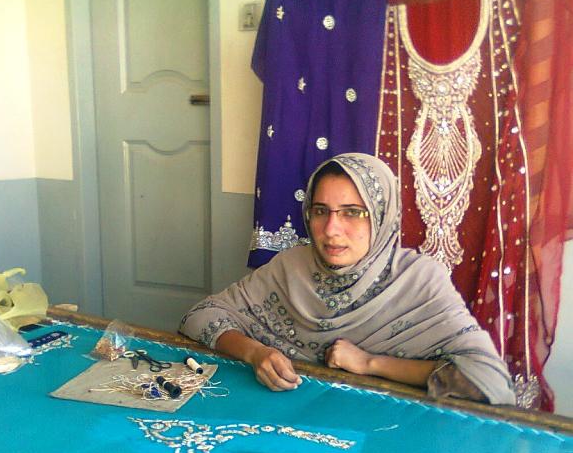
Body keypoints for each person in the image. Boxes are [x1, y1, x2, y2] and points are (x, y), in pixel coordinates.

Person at [179, 153, 516, 405]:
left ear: (381, 216)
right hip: (290, 419)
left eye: (353, 212)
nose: (331, 229)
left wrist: (370, 363)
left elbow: (486, 382)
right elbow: (200, 316)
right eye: (320, 211)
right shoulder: (292, 266)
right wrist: (255, 353)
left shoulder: (417, 280)